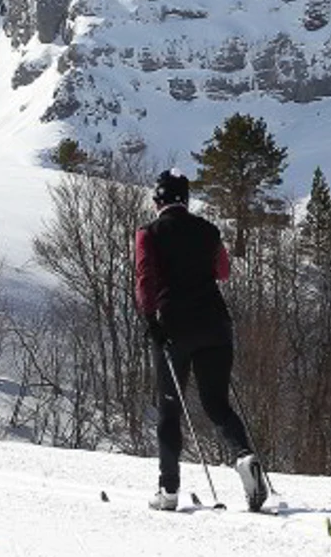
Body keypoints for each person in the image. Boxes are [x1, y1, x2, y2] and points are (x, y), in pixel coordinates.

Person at [134, 169, 270, 512]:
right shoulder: (209, 231)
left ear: (158, 201)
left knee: (169, 410)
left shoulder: (148, 233)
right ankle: (245, 456)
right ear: (186, 199)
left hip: (173, 328)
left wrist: (151, 319)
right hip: (215, 324)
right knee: (216, 403)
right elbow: (222, 271)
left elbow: (145, 278)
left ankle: (168, 491)